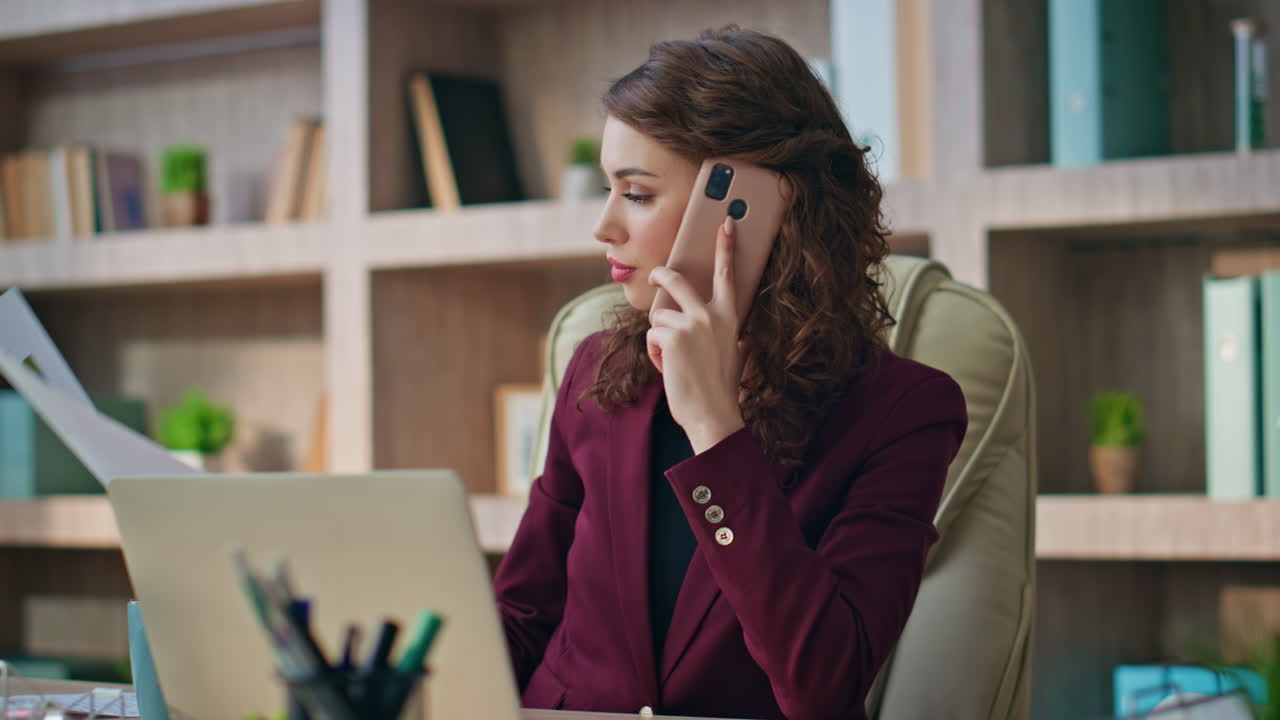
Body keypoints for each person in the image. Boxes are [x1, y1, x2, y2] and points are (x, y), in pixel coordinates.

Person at [493, 26, 967, 720]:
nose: (603, 226)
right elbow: (523, 612)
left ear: (745, 209)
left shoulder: (905, 413)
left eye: (638, 193)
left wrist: (716, 428)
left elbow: (825, 686)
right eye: (608, 188)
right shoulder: (598, 373)